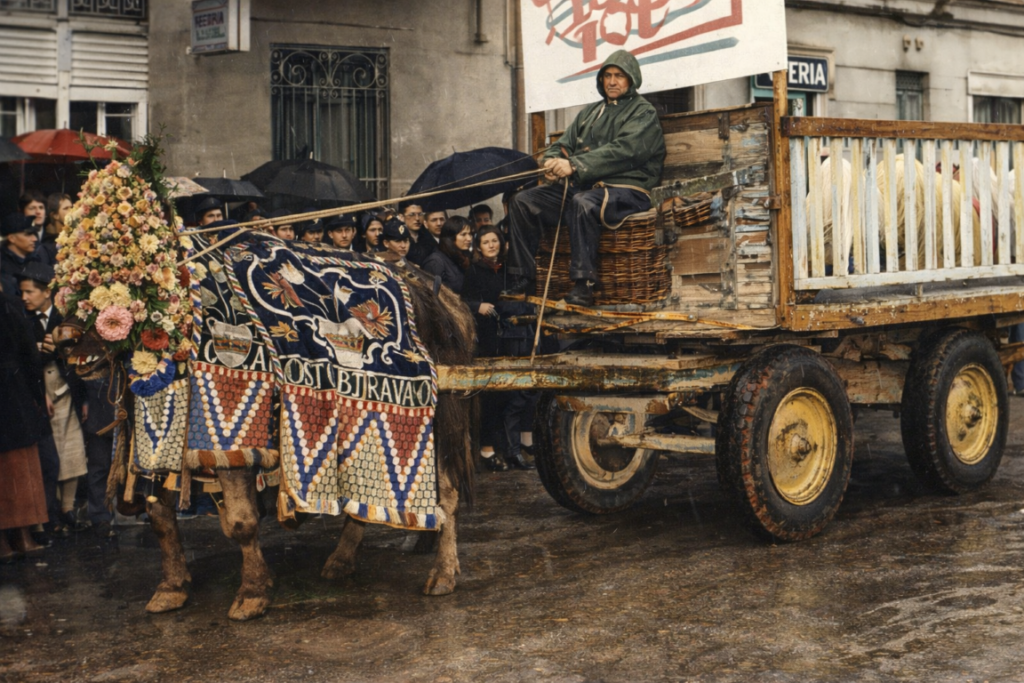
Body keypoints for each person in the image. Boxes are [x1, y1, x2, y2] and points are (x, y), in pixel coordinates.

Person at [504, 50, 666, 306]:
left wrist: (574, 165)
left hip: (628, 190)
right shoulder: (590, 113)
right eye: (607, 76)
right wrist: (550, 161)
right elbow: (562, 145)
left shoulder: (643, 112)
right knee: (522, 201)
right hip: (586, 186)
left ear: (632, 79)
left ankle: (583, 285)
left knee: (582, 202)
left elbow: (625, 151)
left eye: (619, 76)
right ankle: (522, 279)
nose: (612, 82)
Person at [19, 262, 88, 536]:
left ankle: (67, 507)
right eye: (22, 292)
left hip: (65, 387)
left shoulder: (65, 317)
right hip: (39, 388)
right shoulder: (22, 320)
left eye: (29, 292)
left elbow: (79, 358)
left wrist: (59, 352)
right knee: (49, 452)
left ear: (46, 292)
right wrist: (33, 351)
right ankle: (51, 510)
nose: (24, 298)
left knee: (70, 445)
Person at [0, 278, 50, 561]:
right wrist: (38, 394)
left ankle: (3, 544)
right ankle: (23, 537)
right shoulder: (9, 306)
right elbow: (30, 356)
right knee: (19, 469)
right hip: (14, 394)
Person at [422, 216, 472, 294]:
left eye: (470, 234)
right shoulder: (436, 262)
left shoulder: (465, 257)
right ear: (451, 238)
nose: (469, 238)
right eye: (463, 234)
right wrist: (476, 306)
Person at [1, 213, 46, 295]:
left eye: (34, 234)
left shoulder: (38, 258)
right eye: (28, 234)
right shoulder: (2, 266)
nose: (34, 239)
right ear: (12, 238)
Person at [40, 193, 72, 263]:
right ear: (55, 215)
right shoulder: (47, 245)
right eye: (66, 208)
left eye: (71, 207)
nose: (71, 211)